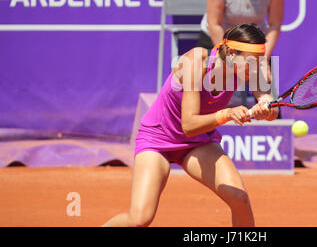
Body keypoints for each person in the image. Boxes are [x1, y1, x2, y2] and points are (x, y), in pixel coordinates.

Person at [102, 23, 278, 227]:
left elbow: (270, 106)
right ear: (230, 53)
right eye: (251, 61)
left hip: (197, 143)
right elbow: (189, 123)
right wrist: (227, 114)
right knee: (140, 219)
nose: (256, 68)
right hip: (157, 139)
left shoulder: (253, 69)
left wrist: (266, 108)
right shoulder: (197, 61)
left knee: (240, 199)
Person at [197, 0, 284, 108]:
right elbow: (214, 23)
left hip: (252, 44)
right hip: (218, 39)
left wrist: (262, 59)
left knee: (268, 97)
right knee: (210, 91)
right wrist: (226, 57)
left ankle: (273, 129)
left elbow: (274, 25)